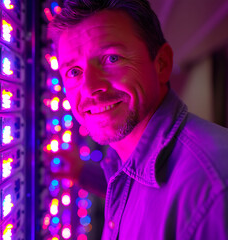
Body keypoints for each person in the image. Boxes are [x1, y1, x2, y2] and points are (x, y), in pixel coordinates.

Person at [49, 0, 228, 239]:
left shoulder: (213, 187)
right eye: (74, 72)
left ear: (162, 64)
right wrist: (81, 171)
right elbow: (148, 194)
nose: (91, 88)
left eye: (111, 59)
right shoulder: (129, 160)